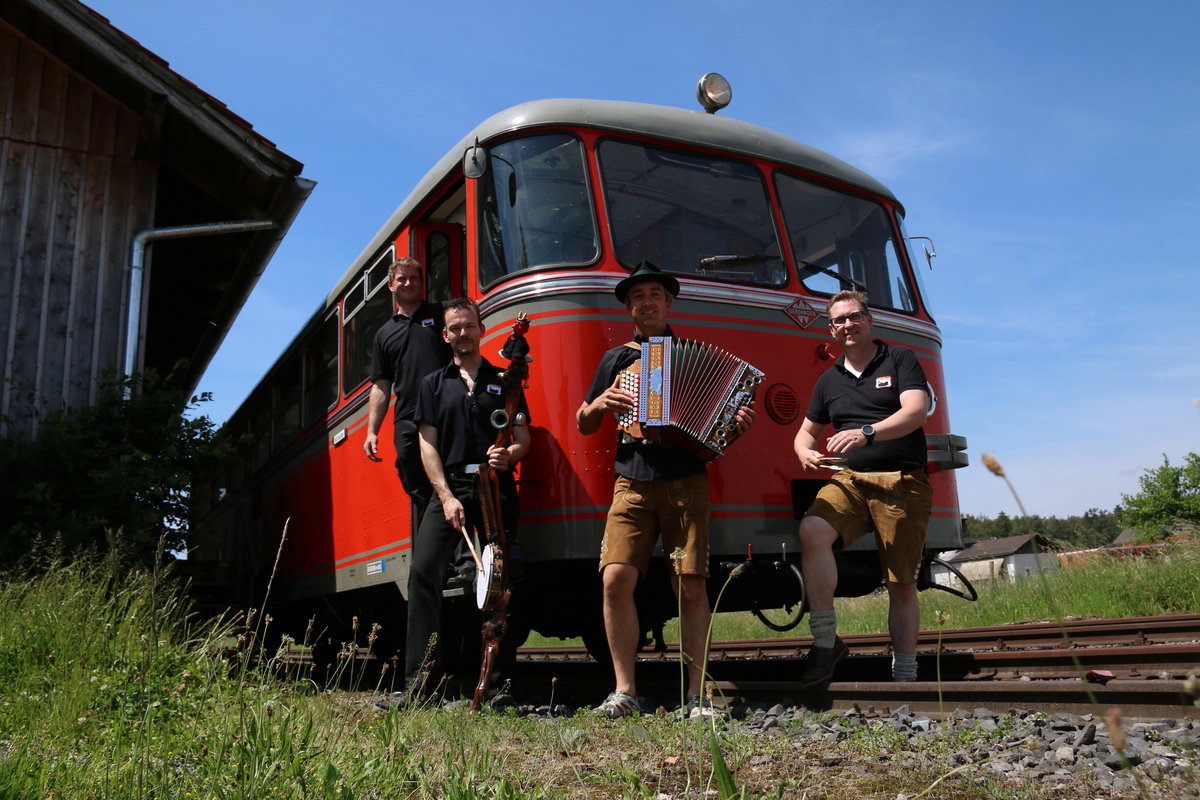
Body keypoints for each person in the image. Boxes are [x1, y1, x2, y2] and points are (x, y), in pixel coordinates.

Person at [576, 262, 754, 719]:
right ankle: (624, 692)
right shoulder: (616, 360)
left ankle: (696, 696)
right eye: (637, 296)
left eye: (655, 293)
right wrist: (599, 402)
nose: (646, 302)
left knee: (691, 587)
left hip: (685, 482)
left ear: (668, 303)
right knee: (615, 579)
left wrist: (736, 427)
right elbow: (583, 421)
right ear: (628, 308)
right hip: (631, 482)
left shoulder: (692, 353)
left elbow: (720, 432)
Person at [792, 289, 932, 687]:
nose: (848, 326)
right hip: (849, 481)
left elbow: (916, 411)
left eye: (854, 317)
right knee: (813, 531)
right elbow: (805, 433)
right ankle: (825, 644)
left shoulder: (899, 358)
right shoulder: (828, 380)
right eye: (839, 321)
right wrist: (805, 452)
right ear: (831, 329)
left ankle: (905, 674)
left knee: (900, 582)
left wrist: (866, 433)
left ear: (869, 320)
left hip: (900, 479)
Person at [404, 297, 530, 700]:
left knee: (501, 581)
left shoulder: (505, 380)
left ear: (481, 329)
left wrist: (509, 454)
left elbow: (524, 436)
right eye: (455, 328)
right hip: (452, 488)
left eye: (469, 326)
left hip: (494, 487)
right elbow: (427, 446)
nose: (463, 333)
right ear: (446, 335)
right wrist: (444, 496)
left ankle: (498, 685)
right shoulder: (433, 385)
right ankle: (421, 685)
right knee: (423, 574)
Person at [363, 257, 451, 514]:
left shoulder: (442, 313)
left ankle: (460, 551)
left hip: (443, 409)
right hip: (407, 415)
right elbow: (381, 386)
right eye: (402, 278)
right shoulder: (384, 333)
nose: (408, 283)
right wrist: (371, 431)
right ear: (391, 285)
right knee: (409, 468)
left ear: (422, 283)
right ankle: (437, 523)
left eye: (414, 278)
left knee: (449, 473)